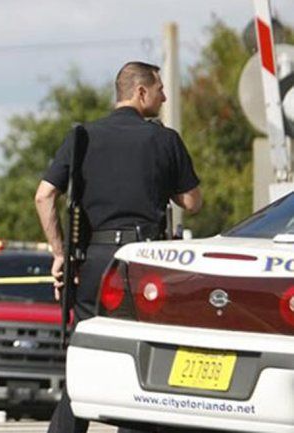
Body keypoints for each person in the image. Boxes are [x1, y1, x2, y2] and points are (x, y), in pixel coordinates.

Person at [35, 61, 202, 433]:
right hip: (145, 263)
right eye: (160, 89)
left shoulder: (82, 137)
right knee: (142, 363)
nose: (163, 96)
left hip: (93, 262)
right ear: (141, 92)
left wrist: (60, 253)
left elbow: (44, 196)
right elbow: (192, 202)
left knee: (83, 363)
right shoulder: (164, 138)